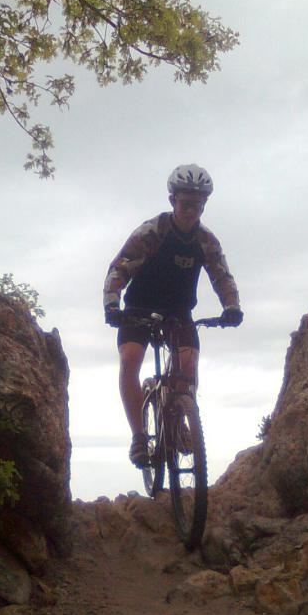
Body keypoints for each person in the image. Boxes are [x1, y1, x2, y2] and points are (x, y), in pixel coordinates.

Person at [103, 163, 243, 467]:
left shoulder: (205, 241)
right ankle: (140, 436)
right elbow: (120, 268)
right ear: (173, 201)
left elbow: (222, 276)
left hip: (179, 310)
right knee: (130, 360)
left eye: (198, 205)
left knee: (188, 366)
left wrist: (231, 306)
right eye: (186, 204)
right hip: (139, 306)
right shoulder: (151, 233)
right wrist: (112, 304)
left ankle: (180, 413)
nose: (192, 211)